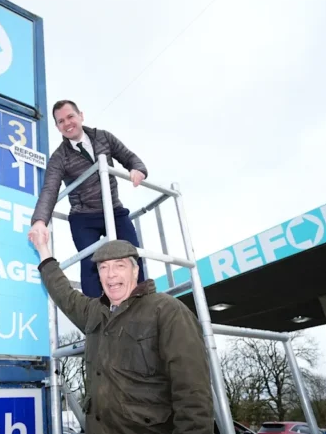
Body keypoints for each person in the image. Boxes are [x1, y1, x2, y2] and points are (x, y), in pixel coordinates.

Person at [28, 233, 214, 434]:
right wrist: (42, 249)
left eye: (119, 265)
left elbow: (193, 395)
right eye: (103, 267)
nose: (111, 274)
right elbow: (63, 292)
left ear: (135, 271)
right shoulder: (94, 312)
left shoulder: (167, 311)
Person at [29, 99, 148, 298]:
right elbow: (49, 189)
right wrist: (40, 221)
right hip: (84, 216)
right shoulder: (59, 157)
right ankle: (97, 316)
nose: (67, 123)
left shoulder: (103, 137)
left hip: (114, 209)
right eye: (60, 121)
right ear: (57, 126)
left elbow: (129, 157)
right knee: (91, 262)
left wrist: (138, 169)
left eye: (70, 117)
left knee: (134, 255)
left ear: (80, 116)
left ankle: (144, 304)